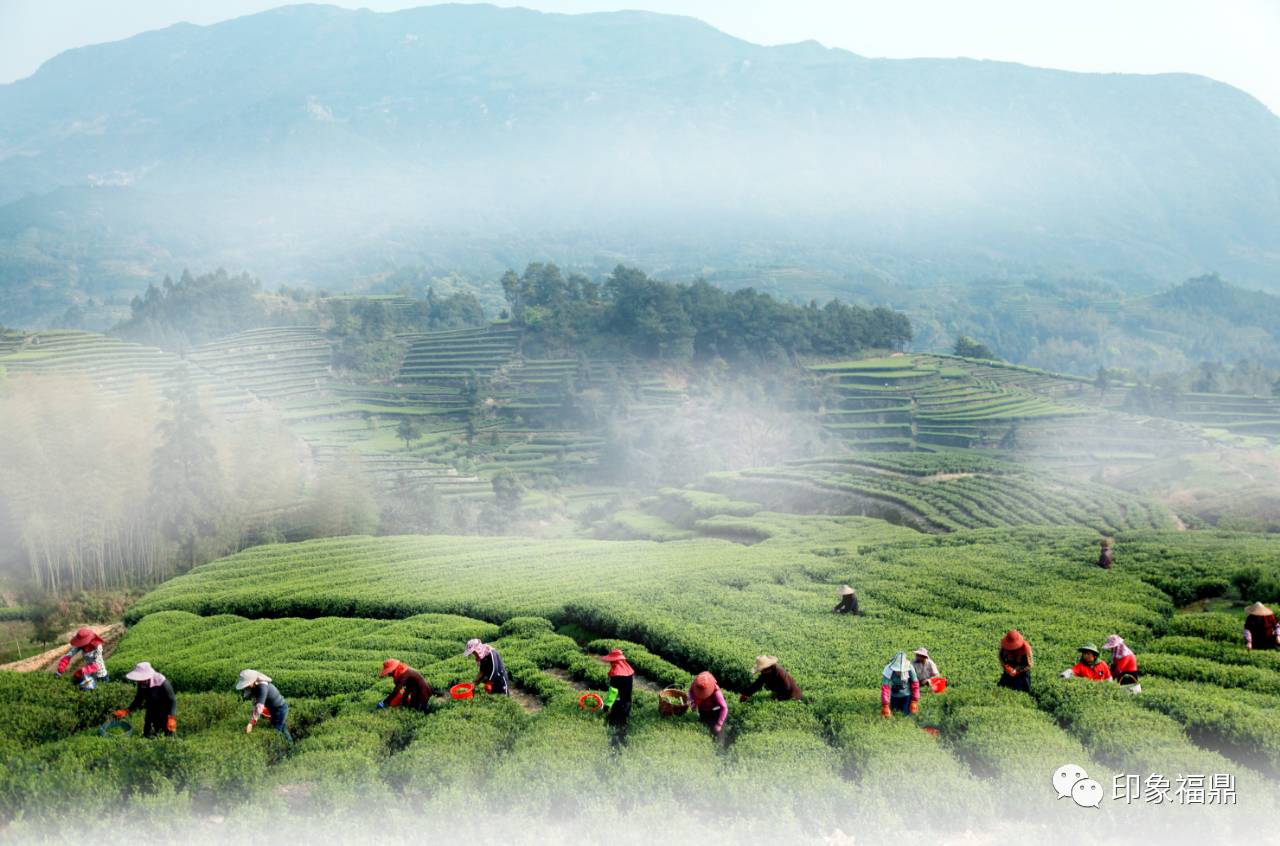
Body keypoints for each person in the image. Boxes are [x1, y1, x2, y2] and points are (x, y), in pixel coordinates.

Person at [115, 662, 176, 738]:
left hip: (164, 711)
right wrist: (127, 710)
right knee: (148, 732)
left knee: (166, 733)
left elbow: (172, 700)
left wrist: (172, 717)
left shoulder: (162, 682)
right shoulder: (142, 683)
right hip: (151, 708)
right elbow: (139, 699)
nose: (139, 681)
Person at [235, 669, 292, 742]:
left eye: (247, 684)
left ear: (252, 681)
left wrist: (251, 724)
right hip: (273, 709)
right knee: (281, 727)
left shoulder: (262, 687)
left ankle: (281, 748)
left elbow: (259, 707)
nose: (246, 687)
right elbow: (256, 703)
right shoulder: (255, 686)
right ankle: (290, 743)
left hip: (280, 709)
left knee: (277, 730)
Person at [597, 648, 634, 748]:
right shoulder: (628, 671)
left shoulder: (616, 675)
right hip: (628, 703)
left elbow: (612, 693)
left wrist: (606, 707)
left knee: (615, 727)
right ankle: (624, 744)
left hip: (621, 706)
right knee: (624, 726)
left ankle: (615, 746)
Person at [55, 627, 109, 691]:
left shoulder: (97, 646)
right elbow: (69, 654)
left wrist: (81, 672)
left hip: (101, 676)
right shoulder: (82, 645)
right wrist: (61, 668)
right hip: (91, 675)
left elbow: (97, 664)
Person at [689, 671, 728, 742]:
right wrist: (692, 702)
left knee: (717, 733)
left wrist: (719, 724)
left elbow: (724, 708)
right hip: (703, 710)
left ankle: (719, 747)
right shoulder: (696, 685)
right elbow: (690, 692)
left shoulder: (716, 692)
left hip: (715, 711)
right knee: (705, 727)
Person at [880, 652, 920, 716]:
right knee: (894, 712)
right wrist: (885, 705)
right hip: (894, 695)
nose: (899, 672)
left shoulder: (910, 668)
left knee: (907, 713)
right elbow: (885, 688)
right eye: (897, 670)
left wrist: (914, 701)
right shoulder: (888, 669)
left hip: (907, 694)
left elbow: (915, 684)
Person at [997, 629, 1033, 694]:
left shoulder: (1026, 649)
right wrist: (1006, 667)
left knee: (1021, 690)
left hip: (1022, 672)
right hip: (1009, 668)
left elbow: (1029, 664)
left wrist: (1017, 670)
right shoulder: (1005, 647)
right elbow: (1001, 657)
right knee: (1002, 687)